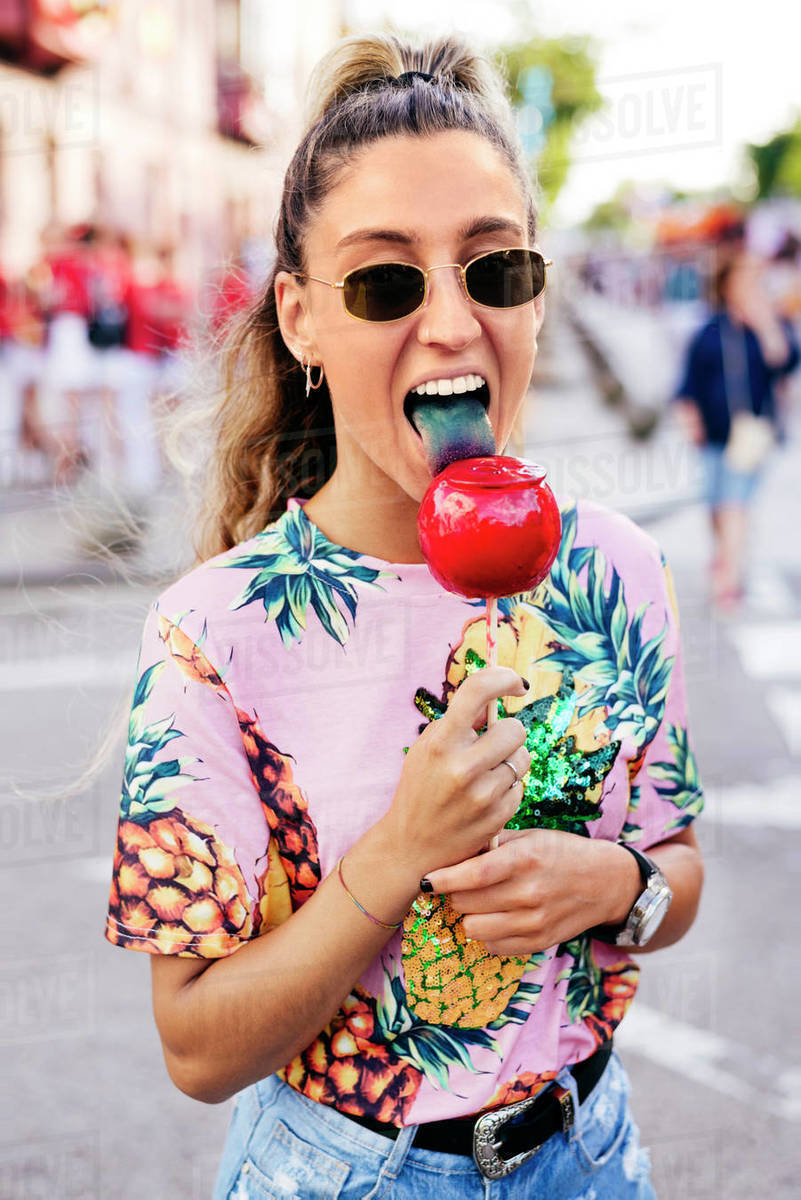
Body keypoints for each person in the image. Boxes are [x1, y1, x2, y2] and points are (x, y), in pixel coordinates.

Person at [104, 33, 705, 1197]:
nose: (449, 324)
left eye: (495, 271)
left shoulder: (615, 571)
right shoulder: (215, 635)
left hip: (590, 1151)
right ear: (301, 321)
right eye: (385, 282)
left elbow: (679, 866)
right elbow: (197, 1048)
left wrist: (618, 888)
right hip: (346, 1172)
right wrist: (396, 857)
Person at [674, 252, 799, 610]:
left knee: (733, 505)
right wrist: (691, 417)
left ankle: (726, 579)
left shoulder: (767, 326)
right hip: (713, 436)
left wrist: (764, 322)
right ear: (726, 286)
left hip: (751, 436)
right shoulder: (709, 331)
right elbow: (689, 381)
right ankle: (727, 559)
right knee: (716, 506)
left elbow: (785, 361)